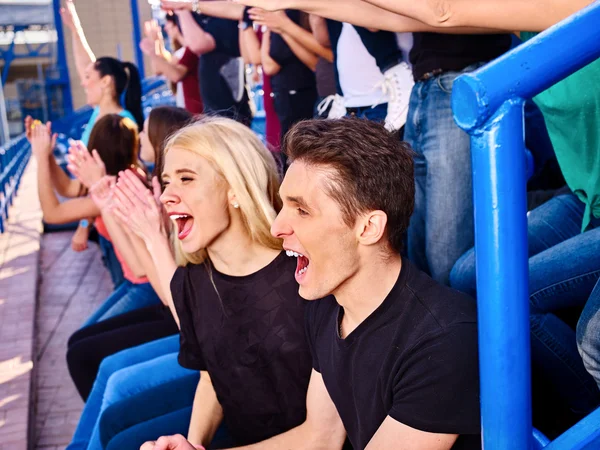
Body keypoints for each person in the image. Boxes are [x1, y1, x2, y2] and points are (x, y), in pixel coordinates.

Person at [144, 118, 481, 450]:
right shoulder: (327, 306)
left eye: (302, 211)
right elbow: (318, 439)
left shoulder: (444, 339)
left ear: (368, 228)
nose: (277, 227)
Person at [67, 117, 315, 450]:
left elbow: (323, 436)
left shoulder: (304, 277)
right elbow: (211, 376)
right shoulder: (197, 280)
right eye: (167, 181)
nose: (168, 196)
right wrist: (193, 442)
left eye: (186, 179)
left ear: (235, 189)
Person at [65, 107, 192, 407]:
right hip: (164, 297)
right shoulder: (154, 182)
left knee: (90, 359)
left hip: (159, 296)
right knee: (79, 347)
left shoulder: (145, 184)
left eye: (145, 132)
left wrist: (107, 200)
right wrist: (103, 197)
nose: (139, 139)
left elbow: (142, 270)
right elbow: (140, 264)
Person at [58, 0, 143, 282]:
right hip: (101, 214)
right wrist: (74, 27)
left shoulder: (119, 123)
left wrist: (84, 224)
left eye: (88, 78)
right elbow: (86, 61)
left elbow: (107, 178)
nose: (83, 82)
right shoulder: (101, 115)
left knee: (128, 279)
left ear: (106, 82)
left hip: (112, 218)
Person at [140, 15, 203, 114]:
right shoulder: (184, 51)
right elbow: (164, 66)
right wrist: (157, 42)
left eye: (170, 24)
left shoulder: (191, 49)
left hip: (197, 112)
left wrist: (153, 49)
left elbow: (173, 73)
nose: (166, 28)